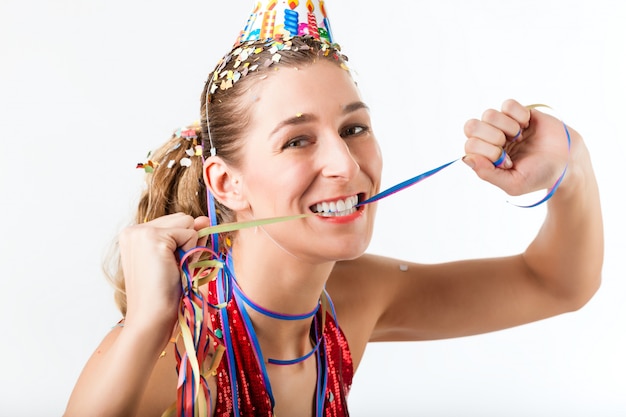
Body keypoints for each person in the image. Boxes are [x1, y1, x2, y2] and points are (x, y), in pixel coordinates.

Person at [64, 2, 603, 416]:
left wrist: (570, 166)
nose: (345, 164)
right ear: (227, 183)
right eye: (298, 140)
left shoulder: (353, 296)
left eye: (354, 128)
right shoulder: (172, 344)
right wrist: (146, 326)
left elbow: (554, 284)